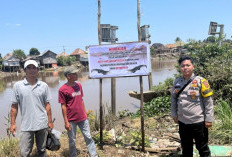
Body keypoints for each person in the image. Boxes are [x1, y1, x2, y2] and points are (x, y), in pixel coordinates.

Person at [171, 56, 214, 157]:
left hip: (198, 122)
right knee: (186, 148)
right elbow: (173, 99)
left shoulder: (201, 81)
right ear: (180, 68)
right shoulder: (177, 82)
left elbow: (208, 101)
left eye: (187, 65)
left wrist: (209, 119)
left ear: (193, 67)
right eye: (182, 66)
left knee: (202, 148)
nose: (185, 67)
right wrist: (174, 114)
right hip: (183, 122)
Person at [10, 60, 54, 157]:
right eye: (29, 68)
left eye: (34, 68)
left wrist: (50, 121)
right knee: (24, 152)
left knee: (42, 150)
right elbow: (14, 107)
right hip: (26, 125)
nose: (32, 70)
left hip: (42, 123)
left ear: (38, 70)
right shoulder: (18, 86)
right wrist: (13, 124)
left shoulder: (44, 86)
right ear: (25, 70)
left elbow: (47, 105)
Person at [58, 66, 98, 157]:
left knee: (88, 137)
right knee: (72, 140)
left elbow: (81, 100)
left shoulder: (79, 85)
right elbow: (63, 106)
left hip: (82, 118)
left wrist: (85, 114)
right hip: (71, 119)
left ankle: (94, 155)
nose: (77, 75)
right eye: (74, 73)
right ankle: (73, 155)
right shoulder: (62, 89)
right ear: (68, 76)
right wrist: (66, 121)